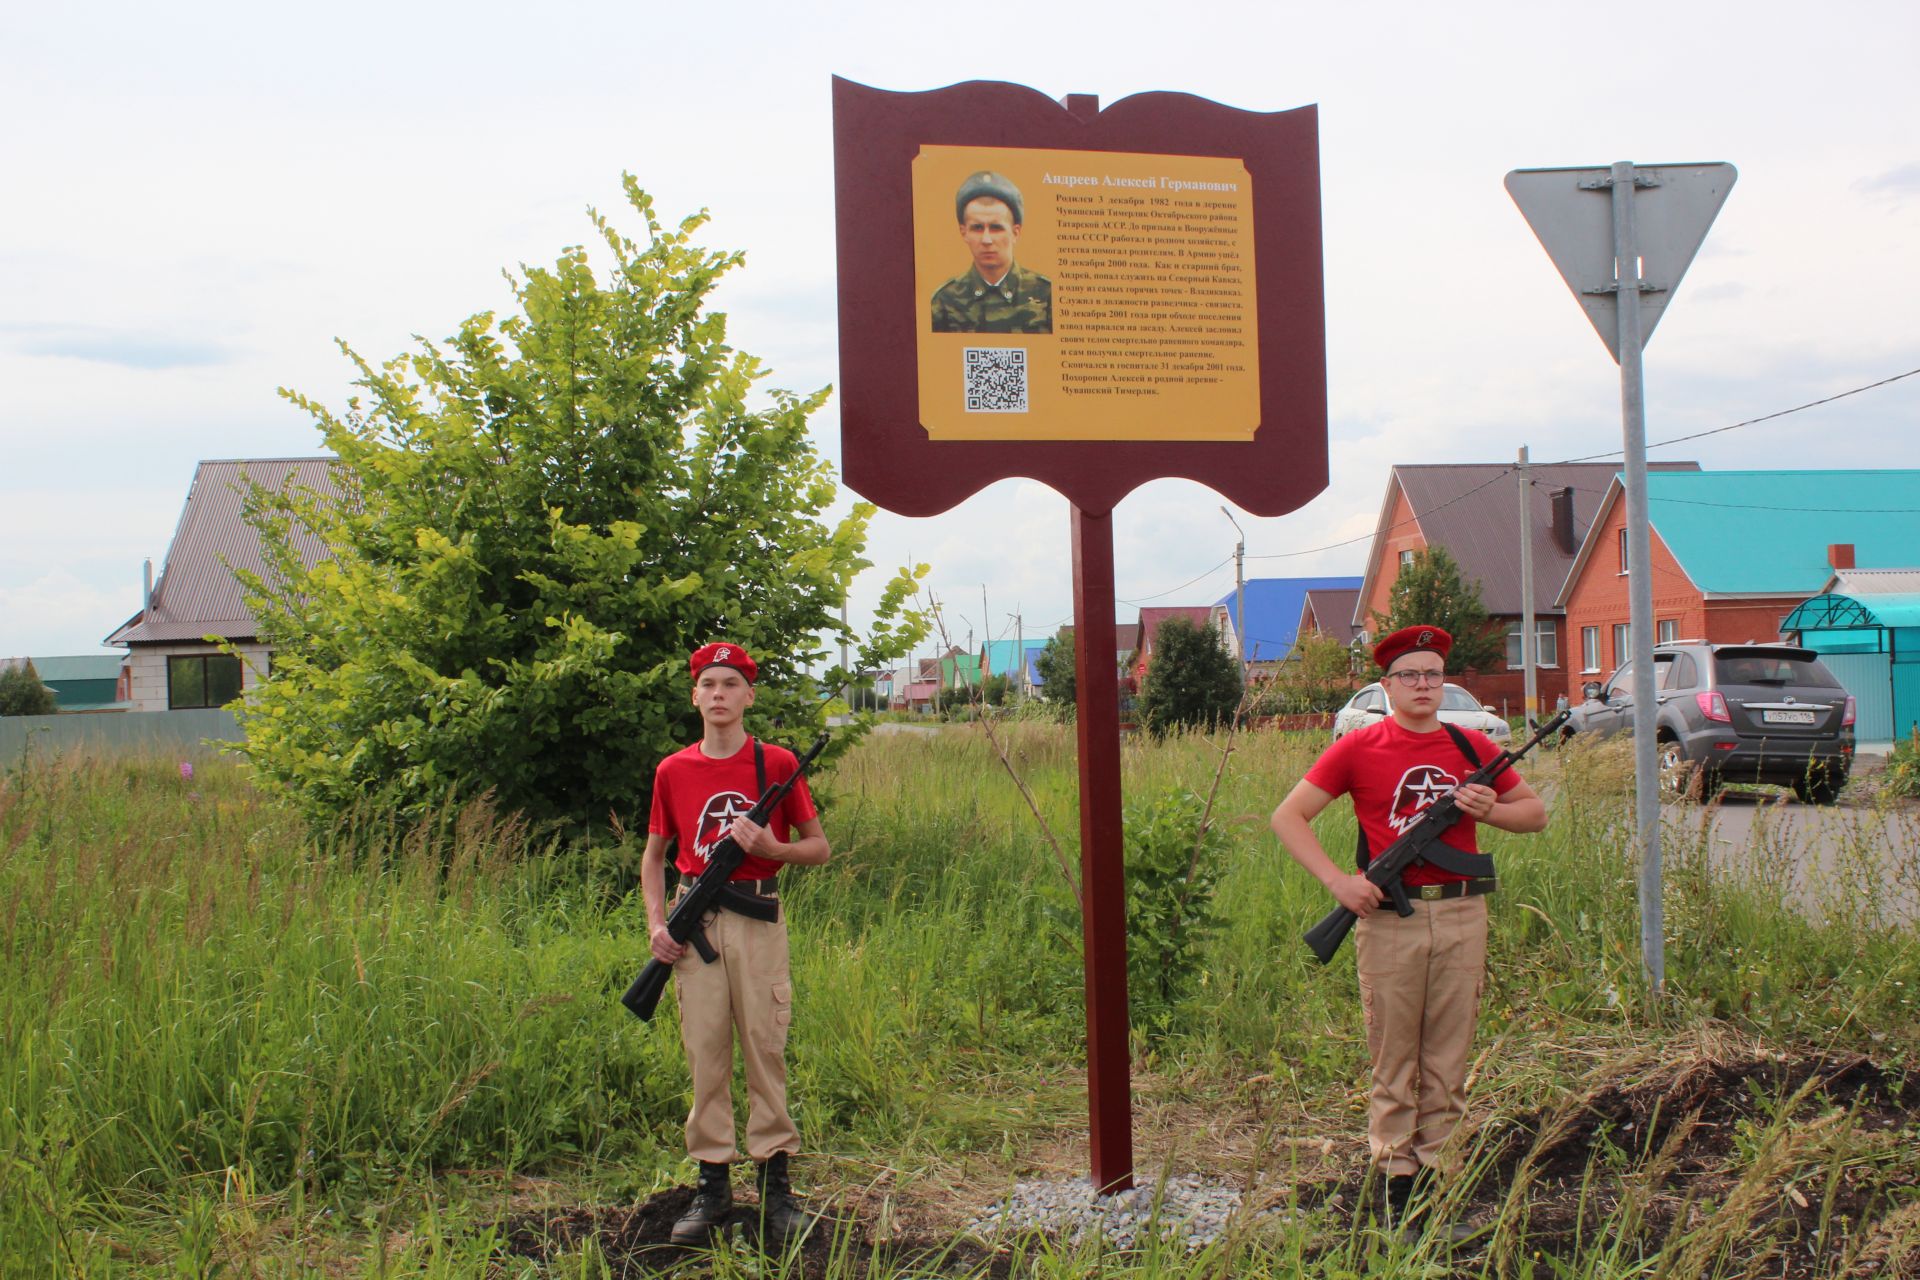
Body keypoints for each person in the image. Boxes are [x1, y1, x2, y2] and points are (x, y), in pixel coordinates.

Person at [1269, 625, 1547, 1241]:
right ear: (1386, 685)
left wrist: (1489, 812)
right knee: (1394, 1056)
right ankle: (1398, 1185)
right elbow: (1287, 817)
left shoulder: (1471, 744)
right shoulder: (1359, 747)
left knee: (1448, 1056)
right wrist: (1340, 883)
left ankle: (1438, 1179)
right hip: (1390, 918)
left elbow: (1534, 814)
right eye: (1408, 675)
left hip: (1461, 912)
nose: (1422, 685)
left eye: (1432, 674)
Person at [642, 642, 830, 1249]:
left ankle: (777, 1190)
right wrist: (657, 925)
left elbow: (818, 847)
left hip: (758, 919)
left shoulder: (774, 764)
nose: (719, 694)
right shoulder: (673, 770)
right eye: (709, 684)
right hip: (695, 923)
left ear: (749, 695)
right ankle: (713, 1186)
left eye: (730, 684)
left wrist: (772, 850)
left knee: (764, 1046)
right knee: (705, 1052)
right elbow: (654, 857)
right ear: (695, 696)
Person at [929, 171, 1053, 333]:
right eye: (977, 228)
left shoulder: (1047, 295)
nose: (986, 240)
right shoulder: (944, 301)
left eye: (996, 228)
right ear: (963, 232)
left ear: (1015, 233)